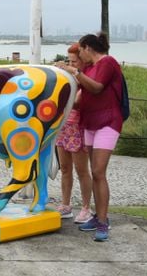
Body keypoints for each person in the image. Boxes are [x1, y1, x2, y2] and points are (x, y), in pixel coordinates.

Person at [71, 32, 124, 242]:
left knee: (99, 171)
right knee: (95, 173)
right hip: (90, 123)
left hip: (107, 122)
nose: (79, 55)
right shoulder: (89, 68)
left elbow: (97, 87)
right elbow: (80, 99)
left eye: (80, 51)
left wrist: (75, 72)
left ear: (87, 48)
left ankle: (103, 222)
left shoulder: (107, 62)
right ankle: (98, 216)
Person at [54, 43, 93, 224]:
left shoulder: (84, 79)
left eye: (75, 61)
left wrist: (70, 72)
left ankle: (86, 207)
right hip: (64, 127)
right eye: (69, 60)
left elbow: (77, 102)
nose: (72, 64)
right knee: (65, 168)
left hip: (77, 127)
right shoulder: (68, 76)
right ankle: (65, 204)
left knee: (81, 170)